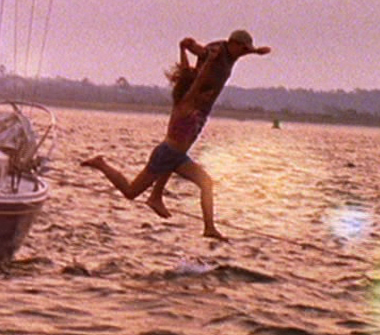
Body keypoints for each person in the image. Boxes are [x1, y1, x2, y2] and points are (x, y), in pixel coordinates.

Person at [81, 39, 225, 238]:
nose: (207, 96)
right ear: (193, 90)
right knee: (131, 192)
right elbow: (194, 79)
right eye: (204, 93)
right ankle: (101, 164)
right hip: (166, 154)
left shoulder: (193, 103)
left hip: (177, 157)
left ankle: (209, 227)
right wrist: (207, 61)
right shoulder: (186, 102)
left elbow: (188, 74)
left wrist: (184, 50)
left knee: (206, 184)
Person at [142, 30, 271, 214]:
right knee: (177, 150)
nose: (243, 54)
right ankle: (156, 195)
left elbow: (243, 50)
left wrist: (256, 51)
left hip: (202, 107)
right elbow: (201, 51)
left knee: (179, 151)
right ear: (233, 44)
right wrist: (188, 47)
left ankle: (156, 195)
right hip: (195, 103)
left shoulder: (233, 53)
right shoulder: (217, 51)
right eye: (243, 49)